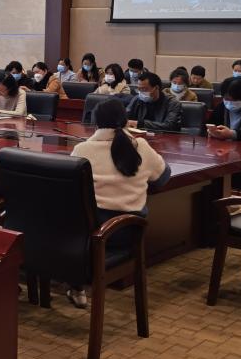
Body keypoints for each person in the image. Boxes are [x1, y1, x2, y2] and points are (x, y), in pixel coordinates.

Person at [67, 98, 168, 307]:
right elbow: (162, 177)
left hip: (88, 233)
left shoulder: (82, 149)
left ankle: (75, 286)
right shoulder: (140, 146)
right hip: (126, 231)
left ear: (95, 122)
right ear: (125, 120)